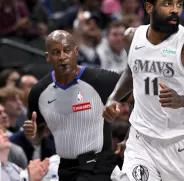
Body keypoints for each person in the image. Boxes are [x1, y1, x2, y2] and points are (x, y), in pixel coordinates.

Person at [102, 0, 184, 180]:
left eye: (179, 4)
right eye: (167, 4)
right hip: (142, 139)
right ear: (149, 7)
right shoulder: (131, 37)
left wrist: (183, 100)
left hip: (182, 142)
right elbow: (133, 70)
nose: (175, 10)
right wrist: (114, 97)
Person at [23, 30, 121, 181]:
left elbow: (139, 94)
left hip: (99, 165)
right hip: (66, 168)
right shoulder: (39, 92)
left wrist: (129, 138)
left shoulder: (101, 79)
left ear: (76, 52)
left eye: (67, 50)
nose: (62, 57)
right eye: (56, 52)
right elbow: (37, 137)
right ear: (48, 57)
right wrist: (32, 135)